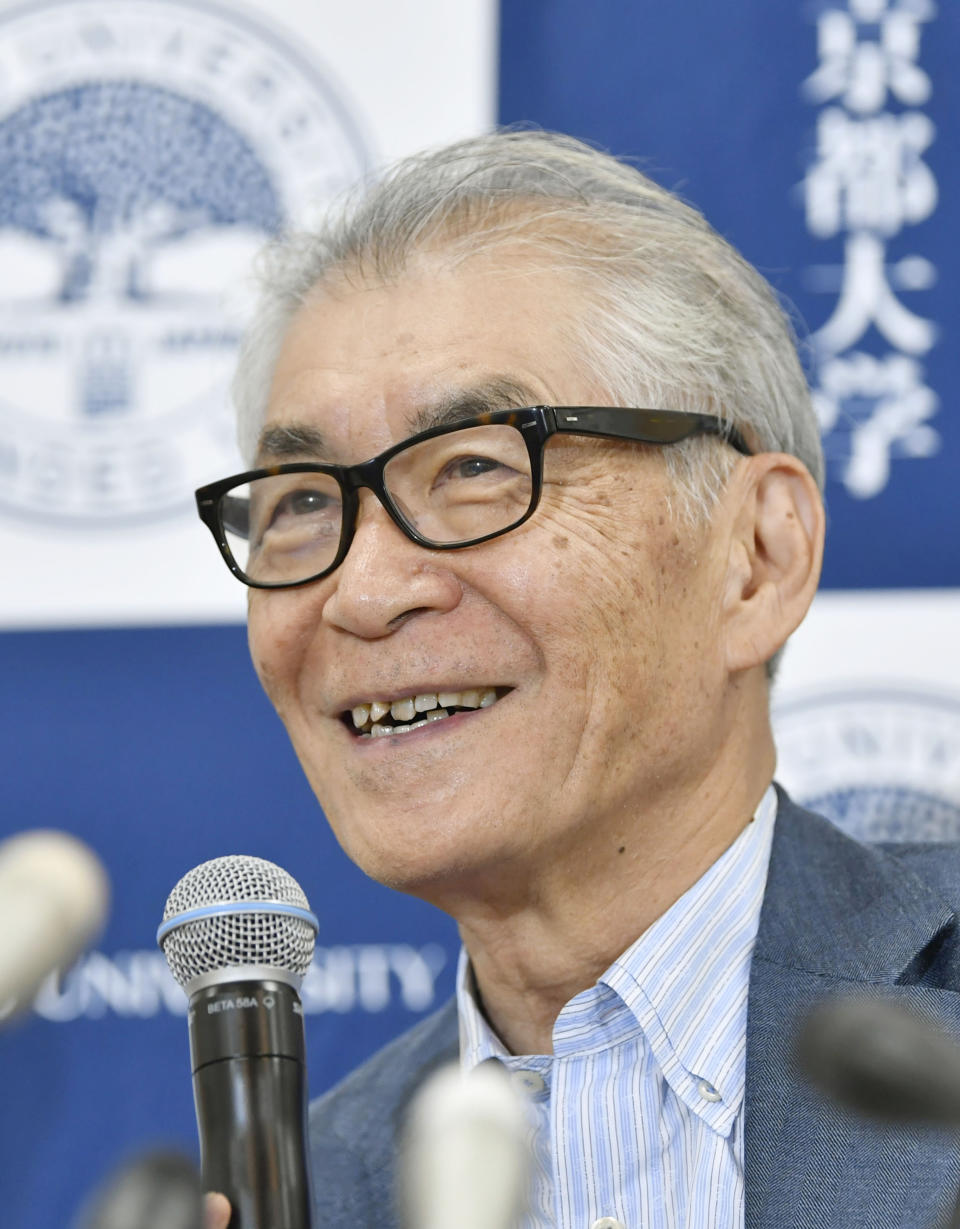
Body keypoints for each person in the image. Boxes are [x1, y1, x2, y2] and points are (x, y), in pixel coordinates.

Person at [201, 130, 960, 1229]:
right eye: (304, 502)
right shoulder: (311, 1192)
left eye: (472, 466)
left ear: (757, 555)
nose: (362, 591)